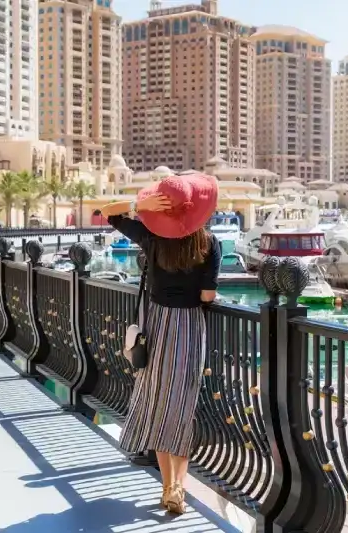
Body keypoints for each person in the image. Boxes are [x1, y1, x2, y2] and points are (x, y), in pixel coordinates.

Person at [100, 173, 221, 515]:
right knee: (181, 409)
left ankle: (168, 485)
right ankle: (176, 487)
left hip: (156, 324)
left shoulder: (150, 236)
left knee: (158, 403)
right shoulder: (210, 243)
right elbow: (207, 295)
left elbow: (108, 212)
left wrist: (139, 205)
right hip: (188, 328)